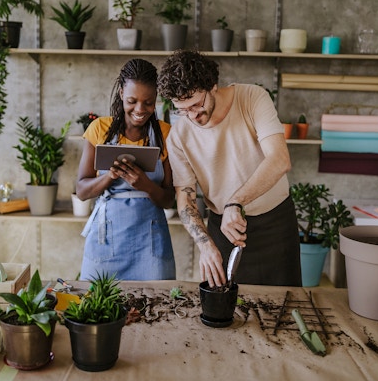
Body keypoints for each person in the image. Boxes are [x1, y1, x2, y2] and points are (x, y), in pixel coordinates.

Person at [158, 50, 301, 288]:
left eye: (196, 105)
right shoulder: (178, 137)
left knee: (284, 308)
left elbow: (279, 159)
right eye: (182, 110)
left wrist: (235, 202)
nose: (192, 116)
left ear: (212, 85)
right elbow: (185, 199)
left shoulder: (252, 98)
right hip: (223, 232)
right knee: (227, 310)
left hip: (276, 225)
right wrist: (205, 245)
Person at [76, 58, 176, 281]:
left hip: (149, 242)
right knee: (99, 306)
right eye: (132, 100)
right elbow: (82, 191)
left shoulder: (165, 133)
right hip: (107, 240)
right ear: (121, 93)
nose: (140, 110)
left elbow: (169, 199)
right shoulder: (100, 129)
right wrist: (109, 177)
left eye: (148, 102)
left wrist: (146, 185)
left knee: (155, 306)